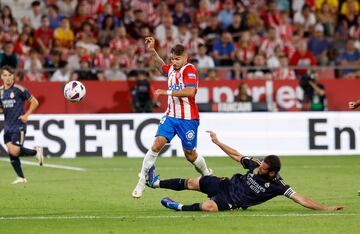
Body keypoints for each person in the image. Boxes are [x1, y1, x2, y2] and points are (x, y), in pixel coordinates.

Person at [146, 131, 344, 212]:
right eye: (261, 164)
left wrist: (325, 209)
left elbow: (301, 199)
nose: (259, 167)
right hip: (224, 184)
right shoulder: (256, 164)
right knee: (192, 182)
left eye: (264, 168)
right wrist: (218, 142)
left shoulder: (278, 185)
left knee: (208, 207)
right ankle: (153, 182)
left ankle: (178, 206)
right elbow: (237, 155)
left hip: (232, 201)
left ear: (272, 173)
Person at [132, 37, 212, 198]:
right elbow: (160, 65)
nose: (174, 62)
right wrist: (152, 50)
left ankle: (207, 174)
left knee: (190, 154)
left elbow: (190, 92)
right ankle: (142, 181)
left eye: (177, 59)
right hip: (170, 116)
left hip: (188, 119)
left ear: (185, 58)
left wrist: (166, 92)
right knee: (156, 144)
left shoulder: (190, 70)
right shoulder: (171, 70)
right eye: (172, 59)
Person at [0, 66, 44, 184]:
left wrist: (27, 115)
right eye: (5, 75)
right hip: (7, 126)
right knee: (11, 150)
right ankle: (21, 177)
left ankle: (36, 152)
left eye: (10, 75)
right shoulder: (0, 91)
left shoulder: (19, 89)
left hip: (19, 125)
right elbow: (1, 108)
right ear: (1, 77)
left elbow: (34, 102)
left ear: (13, 76)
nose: (8, 78)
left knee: (14, 150)